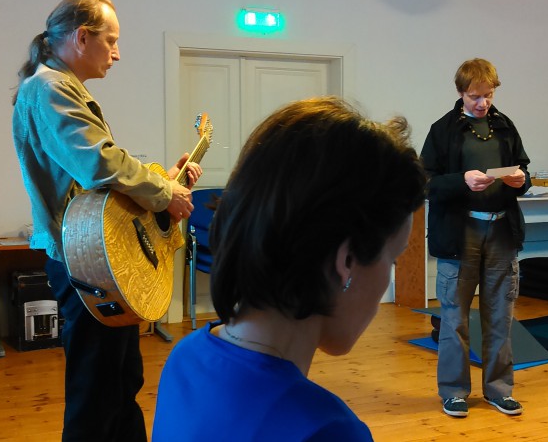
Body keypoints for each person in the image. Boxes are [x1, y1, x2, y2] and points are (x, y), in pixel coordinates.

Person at [152, 96, 427, 441]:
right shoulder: (328, 430)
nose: (389, 274)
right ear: (346, 261)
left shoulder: (185, 359)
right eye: (393, 258)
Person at [11, 0, 202, 441]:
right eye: (111, 40)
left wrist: (166, 181)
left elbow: (98, 183)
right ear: (82, 37)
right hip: (84, 262)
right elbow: (99, 164)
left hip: (98, 258)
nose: (117, 53)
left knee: (121, 381)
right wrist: (163, 193)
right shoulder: (49, 88)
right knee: (95, 394)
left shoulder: (58, 87)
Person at [420, 58, 531, 418]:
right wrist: (461, 180)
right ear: (460, 92)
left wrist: (521, 180)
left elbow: (523, 171)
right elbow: (425, 182)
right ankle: (454, 392)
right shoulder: (443, 129)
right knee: (454, 317)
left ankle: (499, 390)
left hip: (501, 231)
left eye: (489, 95)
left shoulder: (504, 126)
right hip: (459, 233)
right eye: (475, 96)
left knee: (500, 316)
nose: (483, 103)